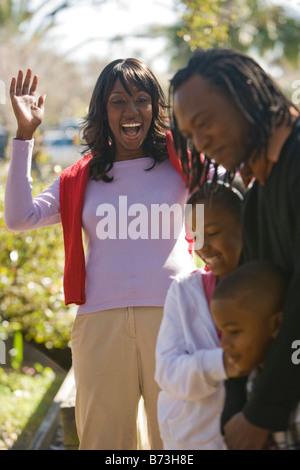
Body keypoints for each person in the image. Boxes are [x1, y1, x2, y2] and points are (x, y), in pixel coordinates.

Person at [4, 59, 197, 450]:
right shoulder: (81, 177)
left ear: (155, 108)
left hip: (175, 317)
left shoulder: (181, 164)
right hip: (100, 324)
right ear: (102, 110)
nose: (130, 111)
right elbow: (19, 217)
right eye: (118, 101)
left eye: (142, 99)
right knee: (105, 445)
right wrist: (24, 136)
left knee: (178, 441)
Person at [169, 47, 300, 450]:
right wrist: (238, 405)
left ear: (245, 94)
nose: (201, 143)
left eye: (205, 122)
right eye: (190, 135)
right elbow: (259, 308)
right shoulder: (259, 193)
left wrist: (262, 412)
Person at [155, 176, 246, 450]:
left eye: (213, 232)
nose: (202, 246)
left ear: (246, 227)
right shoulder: (184, 292)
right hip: (190, 441)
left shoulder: (270, 289)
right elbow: (167, 370)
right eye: (195, 235)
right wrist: (222, 364)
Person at [211, 260, 300, 450]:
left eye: (234, 331)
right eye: (222, 332)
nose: (223, 344)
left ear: (276, 325)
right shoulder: (251, 382)